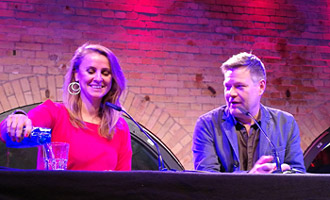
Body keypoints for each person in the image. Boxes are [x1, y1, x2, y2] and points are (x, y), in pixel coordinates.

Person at [0, 43, 132, 171]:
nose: (98, 78)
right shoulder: (54, 113)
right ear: (76, 75)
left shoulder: (119, 127)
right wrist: (18, 118)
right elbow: (5, 133)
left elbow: (124, 181)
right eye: (91, 71)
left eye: (105, 73)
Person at [192, 52, 306, 173]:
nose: (231, 93)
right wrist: (251, 178)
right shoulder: (207, 124)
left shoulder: (285, 123)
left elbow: (298, 172)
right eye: (227, 86)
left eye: (239, 86)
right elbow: (207, 180)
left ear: (261, 87)